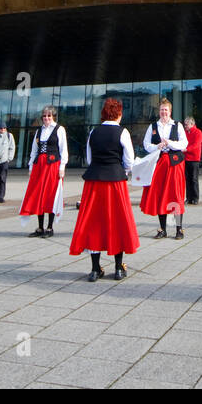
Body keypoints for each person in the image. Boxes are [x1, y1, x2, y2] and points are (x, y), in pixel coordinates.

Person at [70, 98, 140, 281]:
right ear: (119, 113)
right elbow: (130, 161)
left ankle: (95, 269)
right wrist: (120, 170)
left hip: (94, 181)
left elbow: (89, 158)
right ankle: (118, 268)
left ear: (103, 113)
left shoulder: (93, 132)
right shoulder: (122, 132)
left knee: (94, 223)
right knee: (117, 222)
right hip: (115, 181)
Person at [140, 98, 188, 239]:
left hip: (175, 164)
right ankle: (163, 229)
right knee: (161, 196)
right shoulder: (153, 126)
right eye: (161, 110)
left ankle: (179, 229)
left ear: (170, 111)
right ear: (159, 111)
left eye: (166, 110)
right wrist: (157, 146)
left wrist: (170, 143)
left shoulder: (177, 125)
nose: (163, 112)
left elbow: (184, 143)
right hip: (160, 164)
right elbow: (146, 144)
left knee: (176, 196)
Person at [21, 106, 68, 236]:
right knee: (39, 195)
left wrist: (62, 167)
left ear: (53, 117)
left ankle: (49, 227)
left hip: (53, 165)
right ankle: (40, 227)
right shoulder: (39, 131)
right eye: (44, 116)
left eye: (49, 116)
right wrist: (31, 166)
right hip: (39, 166)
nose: (46, 118)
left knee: (51, 195)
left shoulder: (59, 129)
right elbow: (34, 150)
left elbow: (63, 149)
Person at [183, 116, 202, 205]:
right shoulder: (185, 133)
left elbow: (196, 145)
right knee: (187, 179)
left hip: (194, 159)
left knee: (194, 179)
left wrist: (186, 149)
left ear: (192, 124)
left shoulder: (198, 132)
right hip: (186, 158)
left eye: (186, 124)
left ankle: (195, 198)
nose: (185, 126)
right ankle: (188, 197)